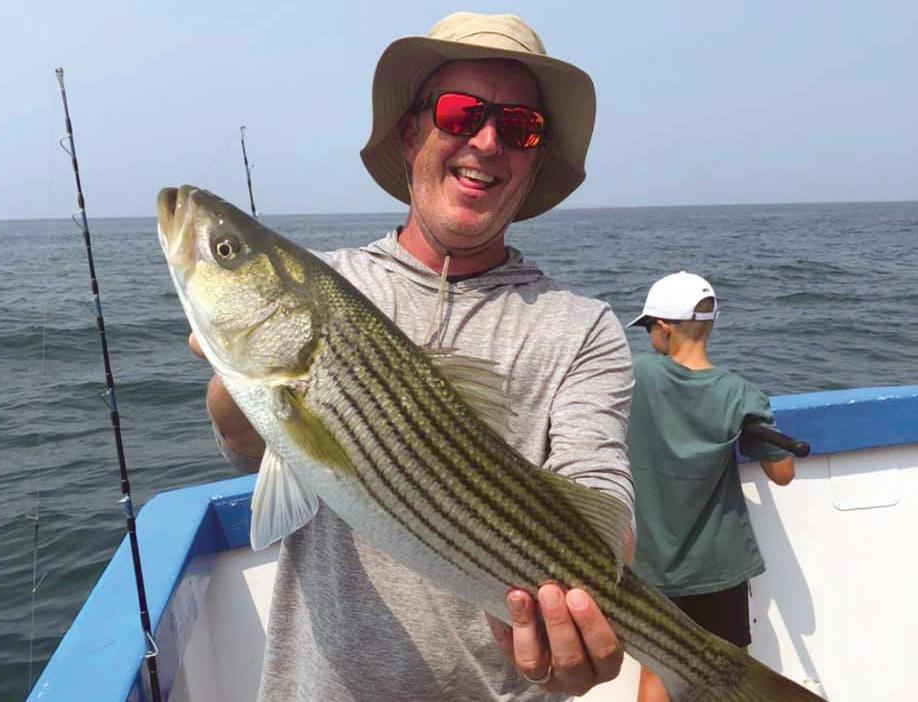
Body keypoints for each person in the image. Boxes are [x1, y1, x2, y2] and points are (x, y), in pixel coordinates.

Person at [193, 12, 636, 701]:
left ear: (536, 158)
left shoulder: (583, 328)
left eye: (520, 127)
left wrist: (586, 608)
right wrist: (247, 369)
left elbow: (600, 491)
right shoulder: (324, 281)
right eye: (460, 113)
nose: (486, 141)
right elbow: (248, 447)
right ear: (409, 133)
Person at [624, 271, 795, 702]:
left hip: (651, 565)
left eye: (648, 327)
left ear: (664, 327)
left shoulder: (635, 375)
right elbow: (783, 473)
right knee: (729, 673)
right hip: (719, 565)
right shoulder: (739, 393)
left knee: (656, 668)